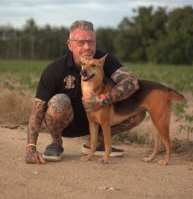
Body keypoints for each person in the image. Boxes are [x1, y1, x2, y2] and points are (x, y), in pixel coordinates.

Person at [25, 20, 146, 164]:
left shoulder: (102, 60)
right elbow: (37, 110)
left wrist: (102, 100)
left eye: (91, 42)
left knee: (138, 110)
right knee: (59, 101)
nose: (87, 47)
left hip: (97, 119)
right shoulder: (55, 69)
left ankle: (95, 142)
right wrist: (30, 148)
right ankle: (56, 143)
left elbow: (132, 82)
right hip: (66, 123)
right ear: (70, 45)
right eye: (81, 43)